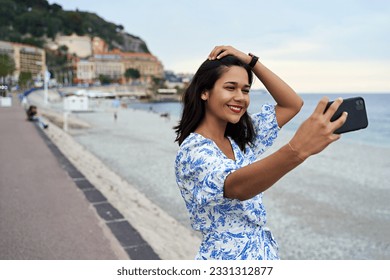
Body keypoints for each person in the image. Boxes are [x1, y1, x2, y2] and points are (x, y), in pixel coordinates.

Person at [174, 46, 347, 260]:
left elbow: (291, 104)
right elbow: (237, 186)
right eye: (230, 88)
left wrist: (251, 61)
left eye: (245, 90)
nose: (240, 97)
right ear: (204, 92)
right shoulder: (193, 151)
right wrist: (297, 150)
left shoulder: (241, 139)